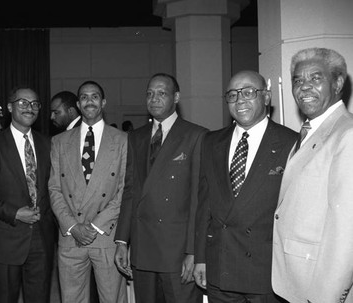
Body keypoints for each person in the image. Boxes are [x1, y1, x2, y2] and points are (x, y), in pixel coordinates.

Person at [192, 70, 296, 302]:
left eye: (248, 92)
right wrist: (200, 257)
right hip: (220, 267)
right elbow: (204, 205)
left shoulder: (290, 142)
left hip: (266, 272)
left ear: (267, 97)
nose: (240, 100)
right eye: (232, 95)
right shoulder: (211, 142)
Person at [114, 73, 207, 303]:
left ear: (176, 97)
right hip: (143, 247)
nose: (154, 98)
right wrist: (122, 241)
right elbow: (131, 191)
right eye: (150, 94)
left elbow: (199, 199)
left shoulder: (196, 135)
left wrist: (194, 252)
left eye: (161, 93)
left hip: (177, 251)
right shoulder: (135, 137)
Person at [272, 47, 353, 303]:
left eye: (315, 78)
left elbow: (347, 233)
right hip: (297, 281)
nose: (304, 87)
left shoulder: (347, 134)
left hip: (319, 290)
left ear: (338, 83)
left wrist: (327, 298)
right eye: (298, 80)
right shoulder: (311, 131)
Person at [49, 80, 128, 303]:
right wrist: (73, 227)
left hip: (105, 235)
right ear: (78, 103)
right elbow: (54, 189)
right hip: (71, 236)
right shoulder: (59, 142)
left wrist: (93, 227)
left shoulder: (122, 140)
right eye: (84, 97)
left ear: (103, 102)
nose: (89, 101)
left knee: (113, 299)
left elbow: (123, 190)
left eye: (94, 96)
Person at [0, 86, 56, 303]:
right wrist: (14, 213)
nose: (29, 108)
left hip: (42, 238)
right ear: (9, 107)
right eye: (23, 103)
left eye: (34, 104)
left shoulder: (48, 144)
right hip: (7, 238)